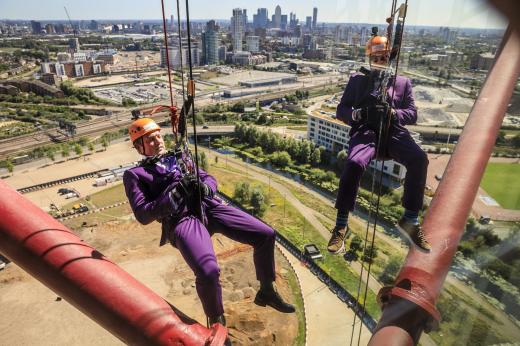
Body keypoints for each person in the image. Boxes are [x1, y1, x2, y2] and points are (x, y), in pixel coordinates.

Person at [123, 117, 295, 326]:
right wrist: (175, 194)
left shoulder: (179, 157)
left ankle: (267, 290)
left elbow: (207, 177)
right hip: (182, 219)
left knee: (265, 235)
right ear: (139, 146)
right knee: (208, 271)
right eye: (150, 139)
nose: (158, 141)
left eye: (159, 136)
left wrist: (207, 188)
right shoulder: (135, 175)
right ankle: (216, 321)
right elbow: (143, 214)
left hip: (209, 207)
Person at [327, 33, 431, 254]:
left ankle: (410, 220)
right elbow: (341, 110)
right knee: (354, 163)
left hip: (393, 131)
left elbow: (412, 114)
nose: (380, 62)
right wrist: (359, 114)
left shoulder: (402, 83)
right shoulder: (358, 81)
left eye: (384, 58)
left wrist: (393, 113)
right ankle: (341, 225)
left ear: (390, 59)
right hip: (365, 130)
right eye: (376, 58)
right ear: (369, 59)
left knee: (419, 159)